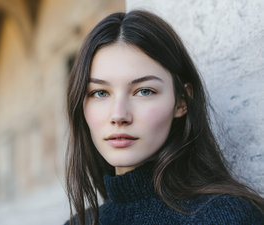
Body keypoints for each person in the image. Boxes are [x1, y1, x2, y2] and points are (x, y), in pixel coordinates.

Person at [64, 10, 264, 225]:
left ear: (181, 101)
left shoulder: (226, 217)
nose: (119, 115)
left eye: (144, 91)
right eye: (100, 93)